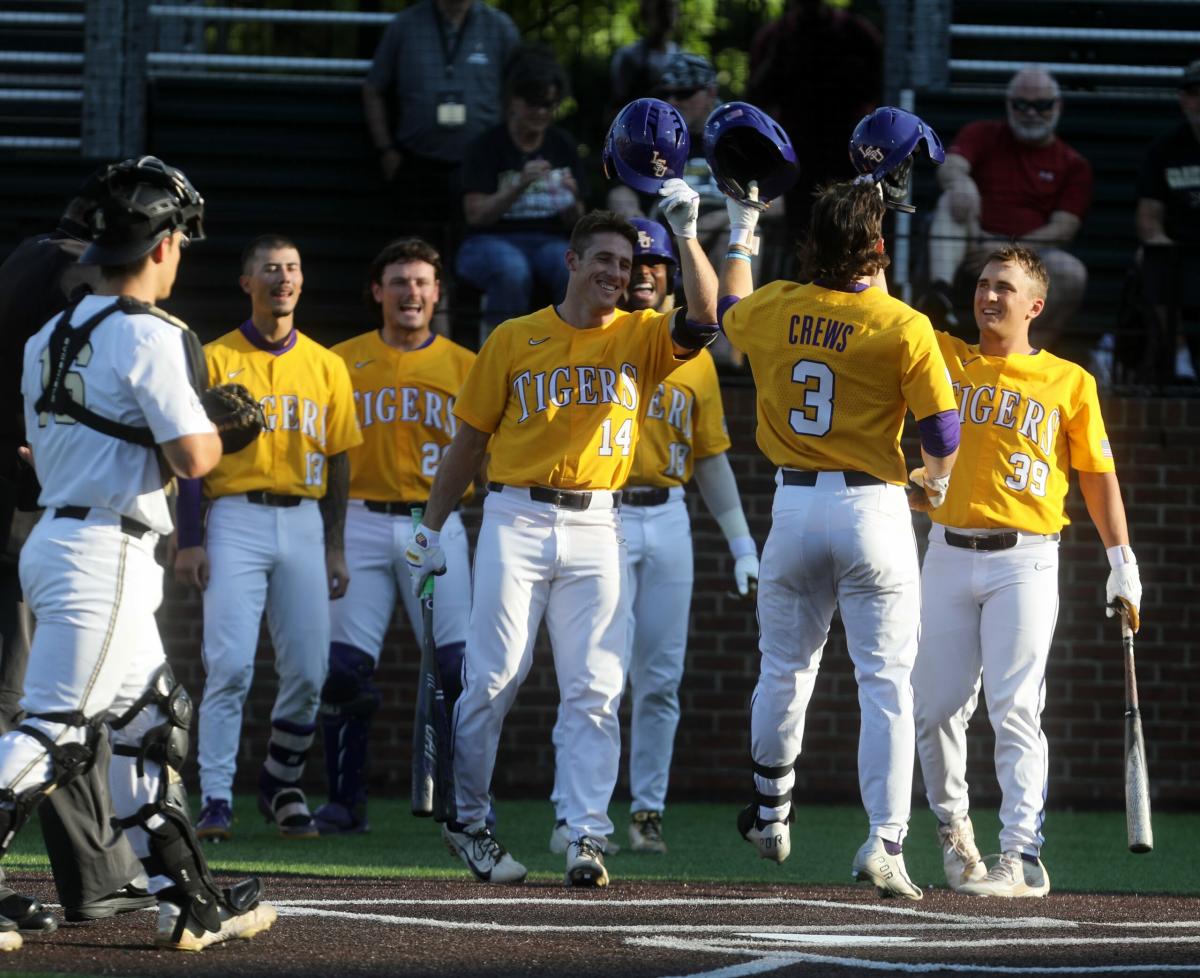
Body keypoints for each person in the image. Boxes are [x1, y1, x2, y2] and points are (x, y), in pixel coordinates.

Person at [407, 193, 720, 889]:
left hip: (598, 522)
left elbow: (705, 315)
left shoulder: (640, 333)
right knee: (492, 678)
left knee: (596, 686)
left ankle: (586, 835)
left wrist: (688, 232)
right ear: (572, 261)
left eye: (627, 262)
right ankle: (469, 821)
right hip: (515, 515)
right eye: (603, 260)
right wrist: (431, 527)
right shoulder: (515, 337)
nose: (618, 272)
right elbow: (467, 442)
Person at [3, 155, 276, 951]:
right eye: (179, 240)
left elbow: (45, 451)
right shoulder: (154, 333)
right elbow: (193, 459)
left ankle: (188, 902)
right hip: (107, 551)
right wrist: (222, 429)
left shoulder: (49, 335)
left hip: (60, 536)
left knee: (151, 720)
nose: (181, 253)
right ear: (158, 246)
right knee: (54, 731)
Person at [718, 181, 959, 900]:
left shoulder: (778, 304)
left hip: (792, 507)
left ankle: (770, 815)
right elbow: (942, 431)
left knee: (784, 670)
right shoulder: (902, 323)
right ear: (879, 249)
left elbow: (726, 309)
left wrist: (742, 231)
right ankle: (885, 842)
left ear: (810, 246)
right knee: (885, 684)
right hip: (874, 509)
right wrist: (935, 481)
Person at [911, 245, 1142, 898]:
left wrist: (1121, 561)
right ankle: (956, 832)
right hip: (946, 550)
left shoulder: (1069, 382)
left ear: (1034, 305)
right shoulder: (945, 357)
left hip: (1027, 558)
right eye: (983, 284)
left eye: (1004, 288)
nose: (989, 296)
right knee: (935, 709)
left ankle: (1022, 855)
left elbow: (1098, 476)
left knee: (1014, 708)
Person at [547, 216, 758, 856]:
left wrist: (742, 542)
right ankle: (571, 813)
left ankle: (646, 812)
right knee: (592, 675)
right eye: (633, 265)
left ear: (671, 275)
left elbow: (711, 455)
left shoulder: (690, 359)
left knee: (660, 678)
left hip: (667, 513)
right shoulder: (587, 337)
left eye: (655, 266)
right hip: (599, 511)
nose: (641, 275)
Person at [175, 235, 362, 841]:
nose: (283, 278)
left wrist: (335, 544)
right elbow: (190, 458)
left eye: (292, 269)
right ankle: (217, 797)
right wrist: (189, 538)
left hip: (305, 521)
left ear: (302, 282)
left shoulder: (328, 365)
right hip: (235, 517)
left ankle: (281, 783)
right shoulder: (212, 357)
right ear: (246, 282)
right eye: (270, 269)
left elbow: (337, 461)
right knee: (228, 665)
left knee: (308, 669)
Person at [316, 238, 476, 834]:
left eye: (422, 282)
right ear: (378, 292)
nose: (412, 292)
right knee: (343, 670)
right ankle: (343, 800)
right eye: (400, 282)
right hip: (358, 518)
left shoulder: (467, 364)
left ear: (437, 294)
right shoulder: (341, 361)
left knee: (458, 669)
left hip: (433, 521)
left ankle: (464, 802)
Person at [923, 68, 1092, 349]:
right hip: (969, 241)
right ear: (1008, 104)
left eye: (1042, 105)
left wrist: (1007, 249)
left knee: (1071, 272)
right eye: (1021, 104)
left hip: (1030, 256)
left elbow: (1065, 227)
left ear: (1058, 106)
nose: (1031, 112)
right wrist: (961, 183)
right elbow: (950, 166)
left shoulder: (1074, 165)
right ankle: (940, 298)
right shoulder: (981, 133)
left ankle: (1026, 355)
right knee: (951, 200)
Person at [456, 47, 586, 342]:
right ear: (514, 100)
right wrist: (518, 185)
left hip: (551, 240)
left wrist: (572, 198)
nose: (541, 112)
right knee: (511, 269)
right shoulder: (487, 145)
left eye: (549, 104)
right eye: (533, 103)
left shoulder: (562, 145)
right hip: (489, 240)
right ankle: (501, 353)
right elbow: (475, 215)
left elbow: (578, 224)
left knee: (572, 268)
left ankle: (570, 351)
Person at [362, 0, 520, 231]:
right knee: (416, 247)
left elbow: (518, 95)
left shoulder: (500, 27)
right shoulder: (405, 25)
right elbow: (373, 89)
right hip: (415, 162)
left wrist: (507, 153)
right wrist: (385, 150)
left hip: (480, 167)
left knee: (470, 246)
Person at [747, 0, 883, 236]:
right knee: (801, 224)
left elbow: (877, 86)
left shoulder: (855, 32)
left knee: (846, 218)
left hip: (845, 145)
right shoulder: (776, 36)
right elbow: (758, 93)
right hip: (796, 147)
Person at [1130, 58, 1200, 383]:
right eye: (1194, 92)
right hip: (1180, 252)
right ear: (1183, 99)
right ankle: (1180, 353)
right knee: (1151, 258)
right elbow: (1148, 218)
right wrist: (1160, 243)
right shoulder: (1164, 150)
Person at [609, 0, 680, 113]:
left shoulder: (681, 57)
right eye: (661, 8)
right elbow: (616, 106)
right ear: (645, 15)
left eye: (671, 7)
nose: (668, 14)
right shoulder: (629, 57)